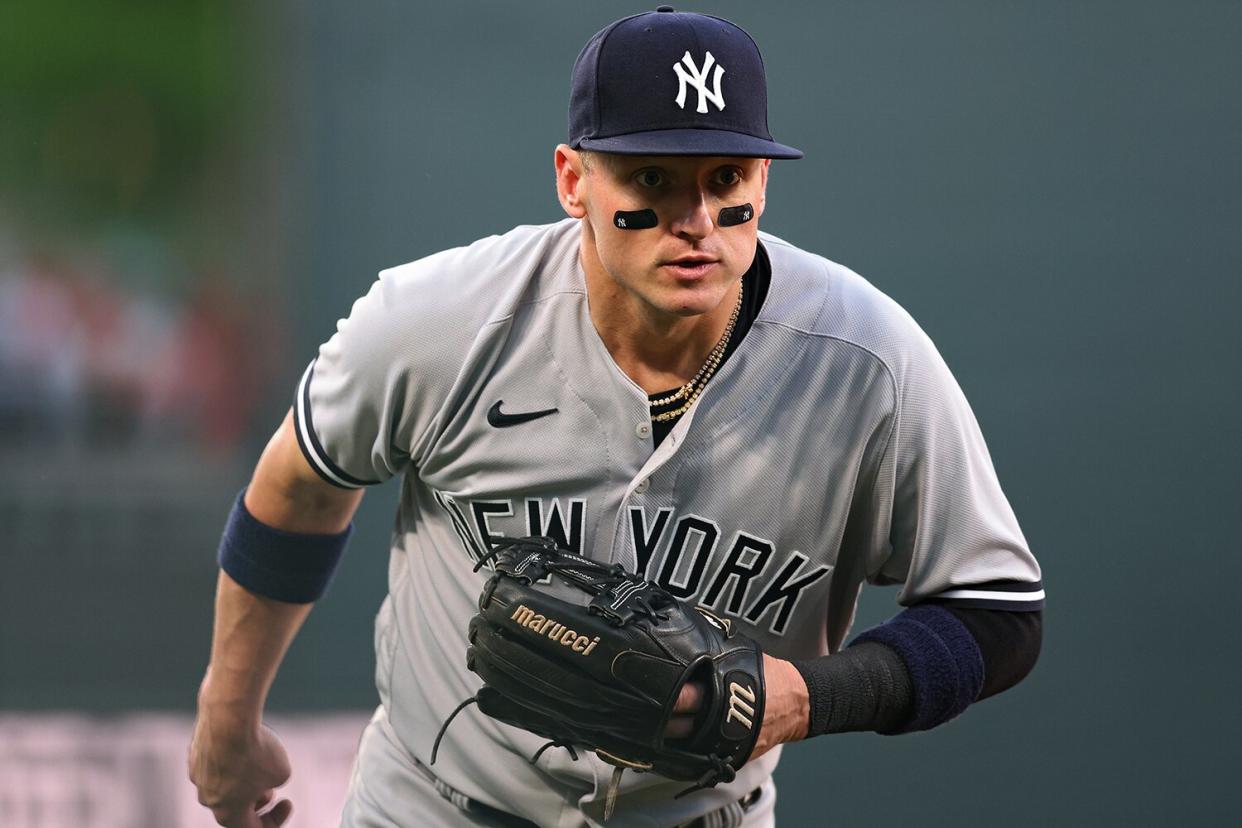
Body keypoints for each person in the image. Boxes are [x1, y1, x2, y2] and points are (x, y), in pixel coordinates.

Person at [188, 8, 1043, 828]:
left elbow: (999, 613)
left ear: (764, 182)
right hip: (432, 806)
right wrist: (229, 715)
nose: (696, 222)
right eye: (653, 180)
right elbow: (301, 487)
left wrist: (806, 701)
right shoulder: (438, 322)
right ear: (574, 181)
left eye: (726, 181)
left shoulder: (869, 365)